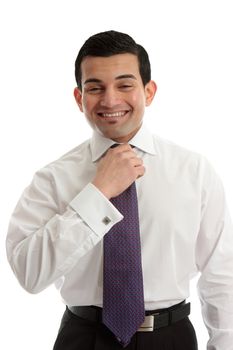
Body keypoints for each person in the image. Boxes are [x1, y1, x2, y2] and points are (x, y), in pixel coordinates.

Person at [6, 30, 233, 350]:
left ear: (149, 91)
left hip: (171, 338)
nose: (110, 99)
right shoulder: (53, 178)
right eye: (95, 87)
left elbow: (222, 273)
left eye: (125, 85)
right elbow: (29, 274)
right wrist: (98, 193)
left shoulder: (194, 170)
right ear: (78, 97)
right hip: (83, 339)